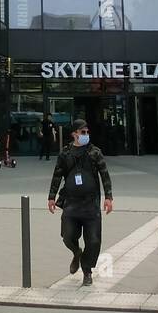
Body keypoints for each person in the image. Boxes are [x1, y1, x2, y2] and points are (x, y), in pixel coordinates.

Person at [48, 119, 114, 287]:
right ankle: (76, 252)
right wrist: (51, 197)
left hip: (91, 205)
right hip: (71, 204)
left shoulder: (94, 152)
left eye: (87, 132)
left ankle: (87, 271)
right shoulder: (65, 153)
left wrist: (108, 197)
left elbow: (104, 174)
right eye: (83, 132)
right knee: (68, 237)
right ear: (74, 134)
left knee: (93, 241)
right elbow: (57, 175)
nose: (86, 135)